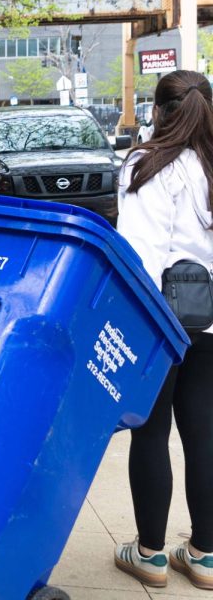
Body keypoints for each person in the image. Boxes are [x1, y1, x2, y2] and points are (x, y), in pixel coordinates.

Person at [113, 69, 213, 591]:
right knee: (204, 430)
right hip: (211, 322)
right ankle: (205, 555)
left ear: (157, 110)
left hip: (160, 317)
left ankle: (149, 554)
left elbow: (139, 254)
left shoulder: (147, 163)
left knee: (150, 431)